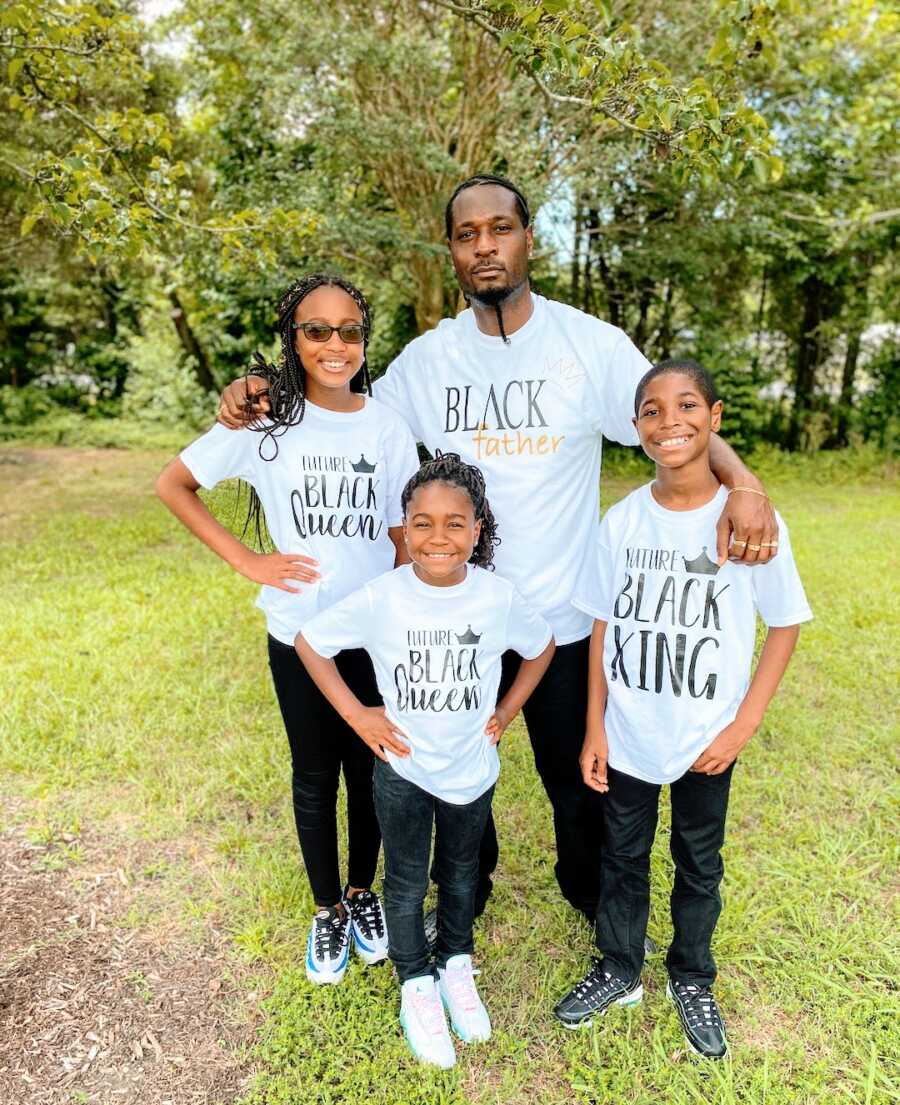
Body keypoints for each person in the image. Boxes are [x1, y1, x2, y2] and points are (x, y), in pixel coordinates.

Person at [217, 174, 779, 932]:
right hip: (458, 614)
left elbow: (672, 418)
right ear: (452, 250)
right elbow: (339, 400)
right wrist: (263, 384)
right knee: (452, 763)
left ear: (526, 238)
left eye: (501, 228)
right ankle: (465, 889)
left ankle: (590, 896)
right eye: (466, 233)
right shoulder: (427, 360)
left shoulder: (589, 344)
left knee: (577, 781)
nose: (485, 245)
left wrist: (743, 483)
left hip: (562, 617)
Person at [156, 274, 420, 985]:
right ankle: (327, 906)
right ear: (294, 339)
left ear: (365, 340)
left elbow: (400, 533)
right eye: (317, 330)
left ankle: (364, 894)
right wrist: (248, 559)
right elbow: (173, 484)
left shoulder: (387, 424)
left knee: (373, 766)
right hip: (299, 628)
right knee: (315, 772)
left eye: (350, 330)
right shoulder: (266, 422)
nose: (336, 344)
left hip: (372, 634)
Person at [553, 359, 811, 1059]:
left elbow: (784, 621)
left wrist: (745, 721)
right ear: (636, 429)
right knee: (622, 856)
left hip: (706, 738)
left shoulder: (748, 520)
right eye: (653, 411)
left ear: (715, 418)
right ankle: (619, 965)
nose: (671, 422)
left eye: (687, 405)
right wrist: (594, 724)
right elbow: (602, 623)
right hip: (630, 731)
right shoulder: (622, 520)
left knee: (699, 861)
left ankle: (692, 975)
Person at [296, 453, 554, 1068]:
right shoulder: (382, 596)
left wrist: (509, 709)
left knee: (460, 876)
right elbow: (310, 643)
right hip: (404, 771)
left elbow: (541, 649)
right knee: (407, 882)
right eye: (423, 523)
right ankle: (416, 981)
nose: (438, 537)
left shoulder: (497, 597)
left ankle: (456, 963)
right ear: (404, 528)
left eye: (455, 524)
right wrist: (359, 715)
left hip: (471, 771)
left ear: (478, 529)